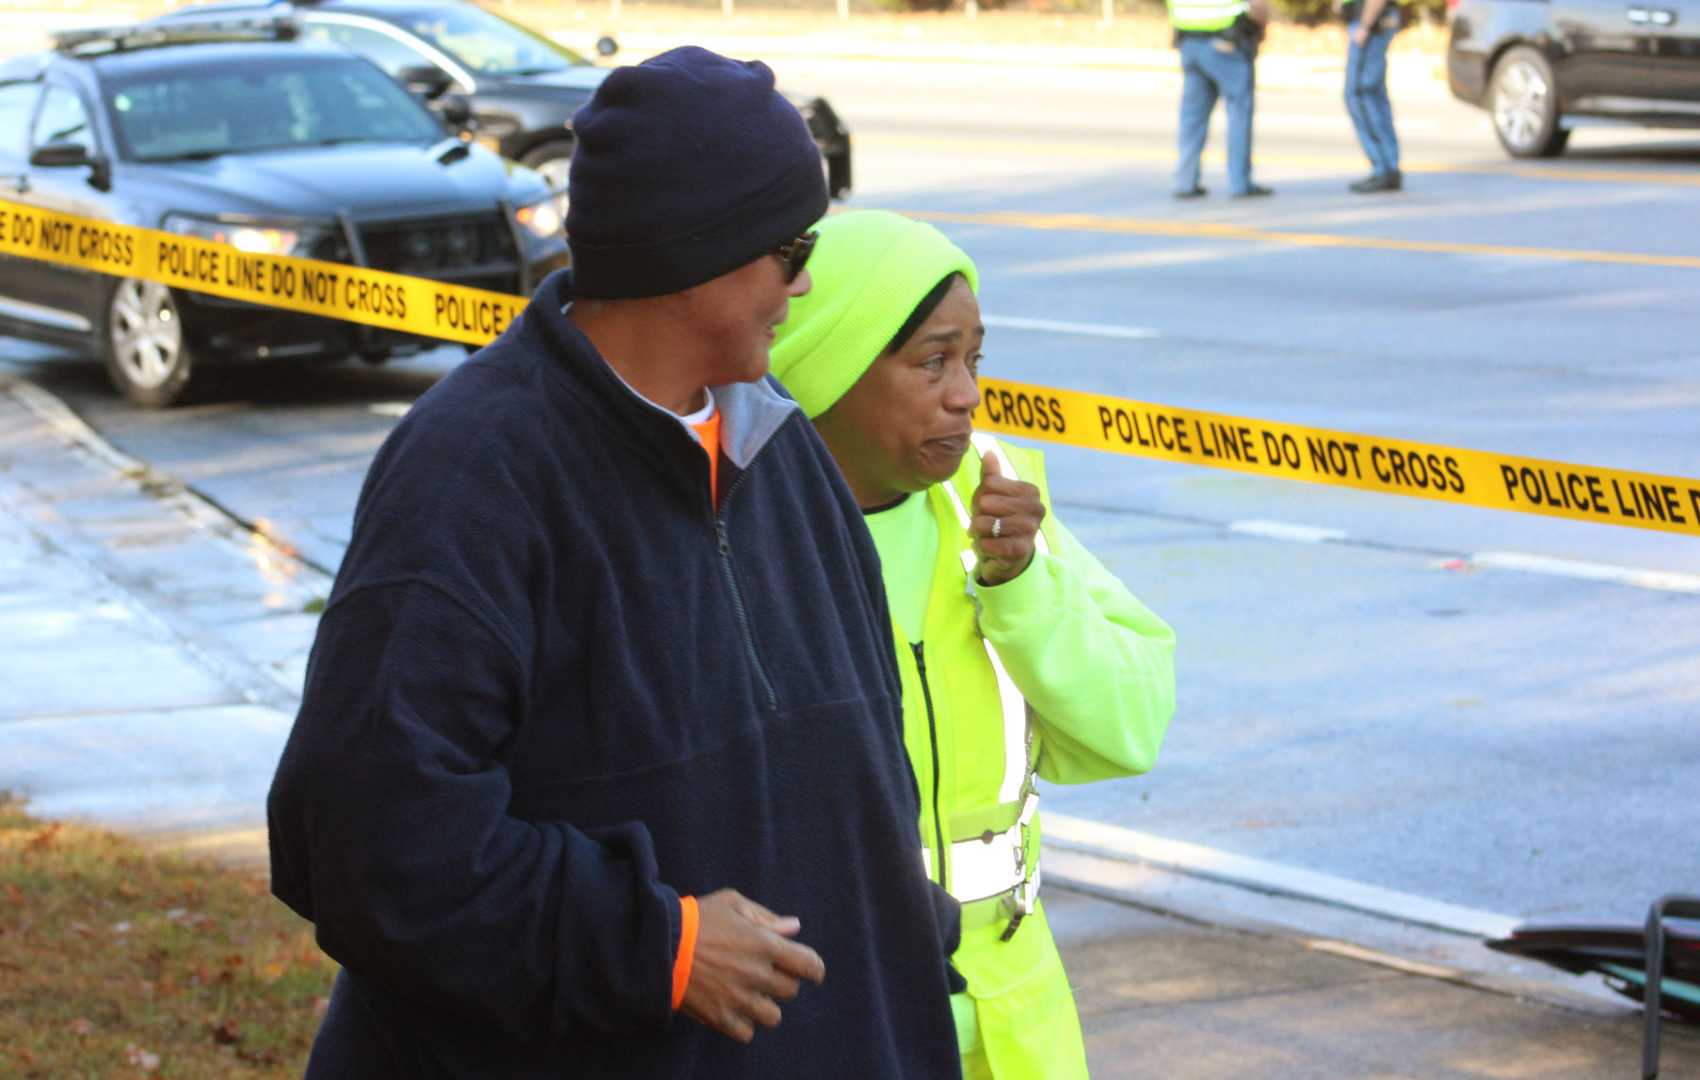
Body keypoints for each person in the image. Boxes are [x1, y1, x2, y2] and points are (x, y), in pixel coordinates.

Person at [265, 48, 964, 1078]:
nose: (804, 279)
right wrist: (659, 949)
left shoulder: (780, 452)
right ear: (697, 252)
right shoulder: (473, 475)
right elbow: (366, 839)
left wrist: (897, 933)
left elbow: (852, 775)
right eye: (789, 247)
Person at [769, 210, 1177, 1079]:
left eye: (973, 360)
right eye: (932, 362)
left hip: (1014, 1012)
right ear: (827, 368)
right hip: (842, 1013)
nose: (967, 395)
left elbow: (1130, 727)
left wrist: (1021, 585)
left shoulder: (992, 503)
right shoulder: (744, 538)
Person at [1168, 0, 1273, 199]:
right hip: (1226, 42)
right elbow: (1257, 5)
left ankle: (1185, 181)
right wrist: (1261, 27)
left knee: (1192, 115)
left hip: (1188, 39)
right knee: (1238, 112)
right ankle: (1239, 182)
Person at [1343, 0, 1404, 192]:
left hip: (1372, 23)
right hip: (1373, 21)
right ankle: (1388, 166)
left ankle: (1383, 167)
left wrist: (1364, 25)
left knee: (1361, 94)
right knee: (1374, 95)